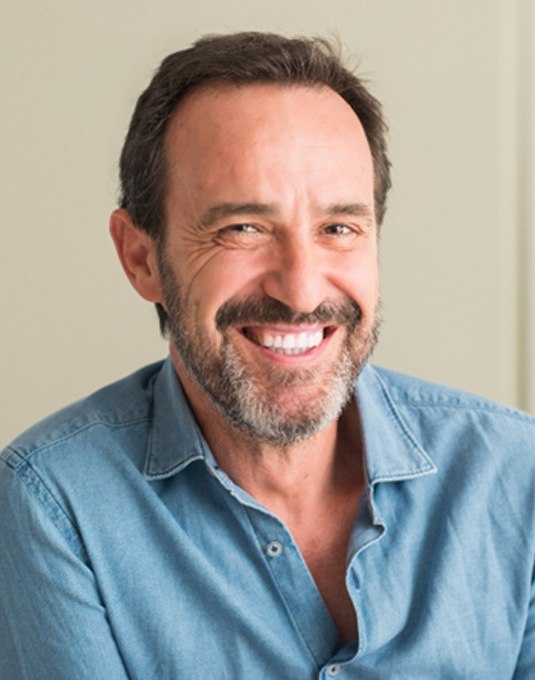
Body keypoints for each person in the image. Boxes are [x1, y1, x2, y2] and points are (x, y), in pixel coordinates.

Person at [0, 31, 534, 679]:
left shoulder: (515, 476)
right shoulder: (54, 504)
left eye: (338, 228)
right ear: (142, 259)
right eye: (242, 229)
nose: (301, 289)